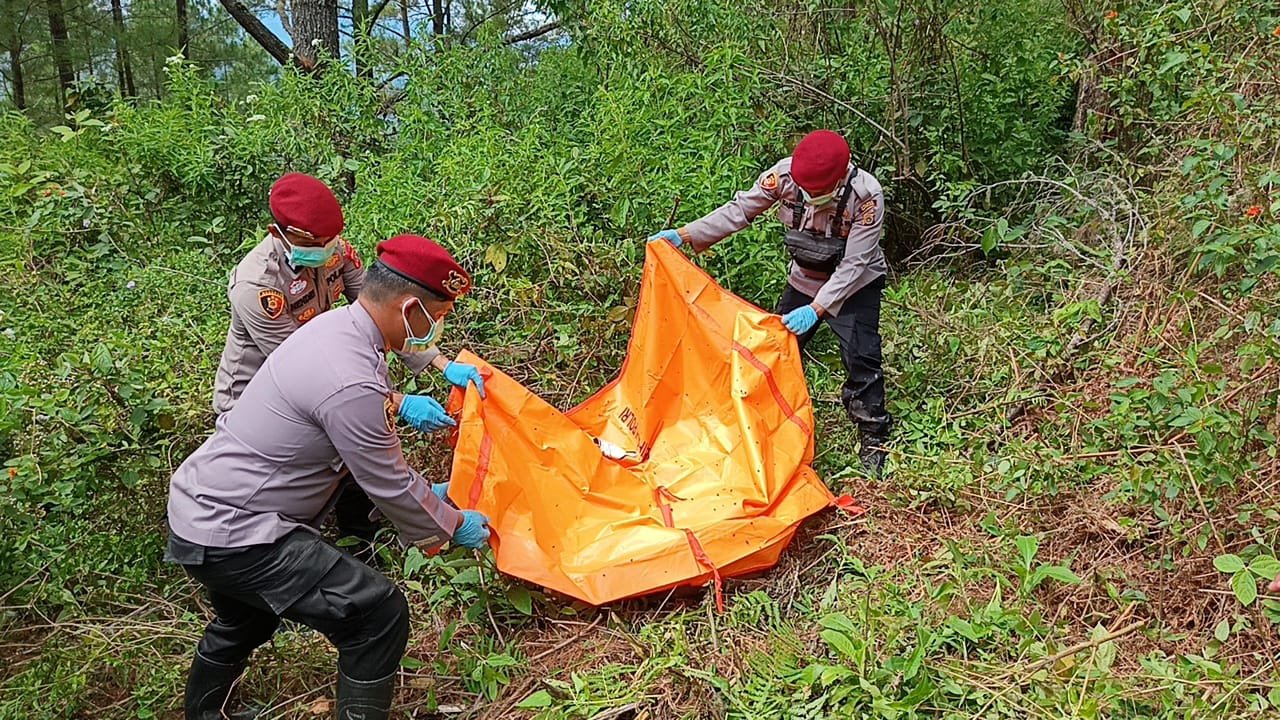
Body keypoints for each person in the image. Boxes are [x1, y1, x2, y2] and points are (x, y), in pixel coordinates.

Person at [167, 234, 490, 720]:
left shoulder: (338, 330)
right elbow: (387, 479)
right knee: (378, 617)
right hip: (236, 530)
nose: (437, 328)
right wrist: (448, 523)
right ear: (408, 309)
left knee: (243, 623)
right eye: (437, 315)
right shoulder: (350, 377)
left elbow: (369, 464)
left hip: (201, 507)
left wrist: (429, 499)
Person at [212, 173, 486, 559]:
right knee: (305, 481)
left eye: (331, 240)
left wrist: (440, 363)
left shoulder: (333, 250)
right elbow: (313, 375)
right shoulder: (257, 286)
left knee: (355, 454)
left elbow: (383, 311)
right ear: (279, 233)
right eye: (316, 243)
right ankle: (301, 555)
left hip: (329, 378)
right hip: (260, 400)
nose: (327, 249)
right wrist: (398, 401)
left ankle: (366, 539)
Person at [649, 129, 893, 477]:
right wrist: (685, 236)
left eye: (818, 193)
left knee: (861, 355)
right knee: (773, 351)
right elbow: (738, 211)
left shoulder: (866, 195)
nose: (810, 197)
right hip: (805, 276)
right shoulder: (784, 176)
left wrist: (816, 309)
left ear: (841, 177)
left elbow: (855, 264)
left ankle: (874, 435)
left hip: (855, 284)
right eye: (806, 191)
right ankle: (761, 427)